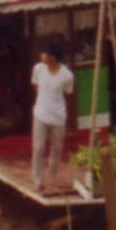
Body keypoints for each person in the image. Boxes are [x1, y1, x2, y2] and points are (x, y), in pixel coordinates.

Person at [29, 47, 75, 193]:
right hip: (40, 115)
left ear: (52, 57)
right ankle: (38, 180)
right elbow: (35, 85)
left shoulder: (67, 75)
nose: (41, 55)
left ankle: (52, 177)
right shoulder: (38, 69)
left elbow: (67, 92)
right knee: (38, 148)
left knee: (57, 149)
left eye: (44, 53)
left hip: (58, 117)